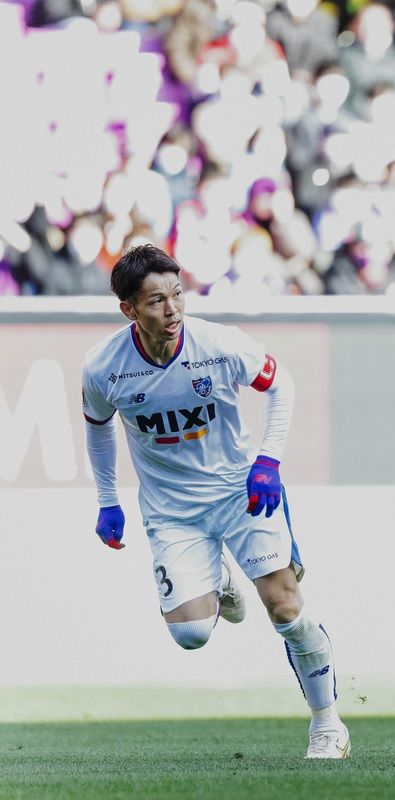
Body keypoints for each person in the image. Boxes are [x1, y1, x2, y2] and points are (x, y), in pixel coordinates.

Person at [81, 245, 350, 759]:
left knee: (285, 608)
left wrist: (268, 460)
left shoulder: (218, 344)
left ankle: (327, 724)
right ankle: (221, 577)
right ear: (129, 310)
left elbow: (281, 385)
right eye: (156, 301)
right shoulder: (103, 367)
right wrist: (107, 500)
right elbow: (97, 428)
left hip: (239, 493)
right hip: (171, 512)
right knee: (190, 634)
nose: (173, 310)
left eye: (177, 294)